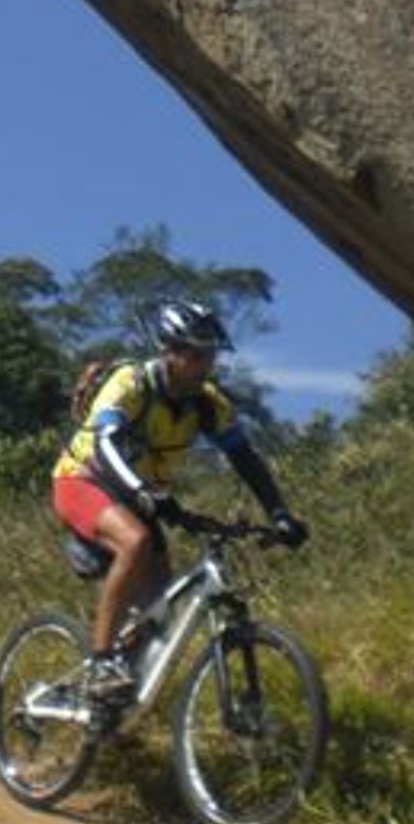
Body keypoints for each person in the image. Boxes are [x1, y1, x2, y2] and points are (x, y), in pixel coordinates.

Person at [51, 300, 309, 700]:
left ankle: (113, 708)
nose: (204, 365)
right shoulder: (131, 384)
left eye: (210, 356)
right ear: (168, 350)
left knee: (160, 607)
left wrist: (279, 513)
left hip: (141, 498)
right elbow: (105, 446)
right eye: (195, 355)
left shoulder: (207, 405)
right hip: (85, 479)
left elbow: (246, 459)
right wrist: (143, 493)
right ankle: (102, 664)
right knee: (134, 543)